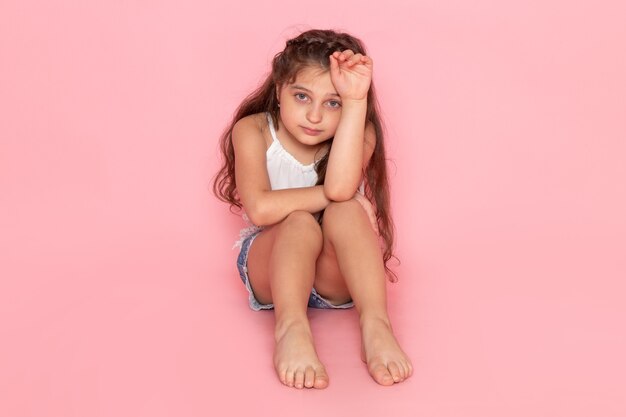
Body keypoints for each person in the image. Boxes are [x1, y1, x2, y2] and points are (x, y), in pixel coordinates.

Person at [213, 29, 412, 389]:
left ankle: (376, 326)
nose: (315, 116)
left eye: (333, 103)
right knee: (301, 222)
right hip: (273, 269)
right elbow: (259, 209)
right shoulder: (253, 130)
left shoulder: (358, 131)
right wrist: (347, 196)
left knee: (345, 213)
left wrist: (355, 103)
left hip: (334, 275)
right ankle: (292, 328)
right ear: (279, 91)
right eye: (302, 97)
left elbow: (338, 189)